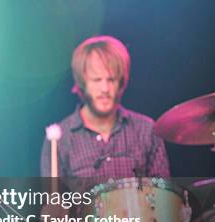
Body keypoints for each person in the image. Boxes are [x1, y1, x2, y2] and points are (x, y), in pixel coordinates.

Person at [41, 35, 170, 179]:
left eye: (111, 79)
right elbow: (53, 199)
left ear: (121, 81)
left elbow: (163, 196)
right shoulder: (59, 139)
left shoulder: (146, 129)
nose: (105, 88)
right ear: (82, 83)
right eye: (97, 80)